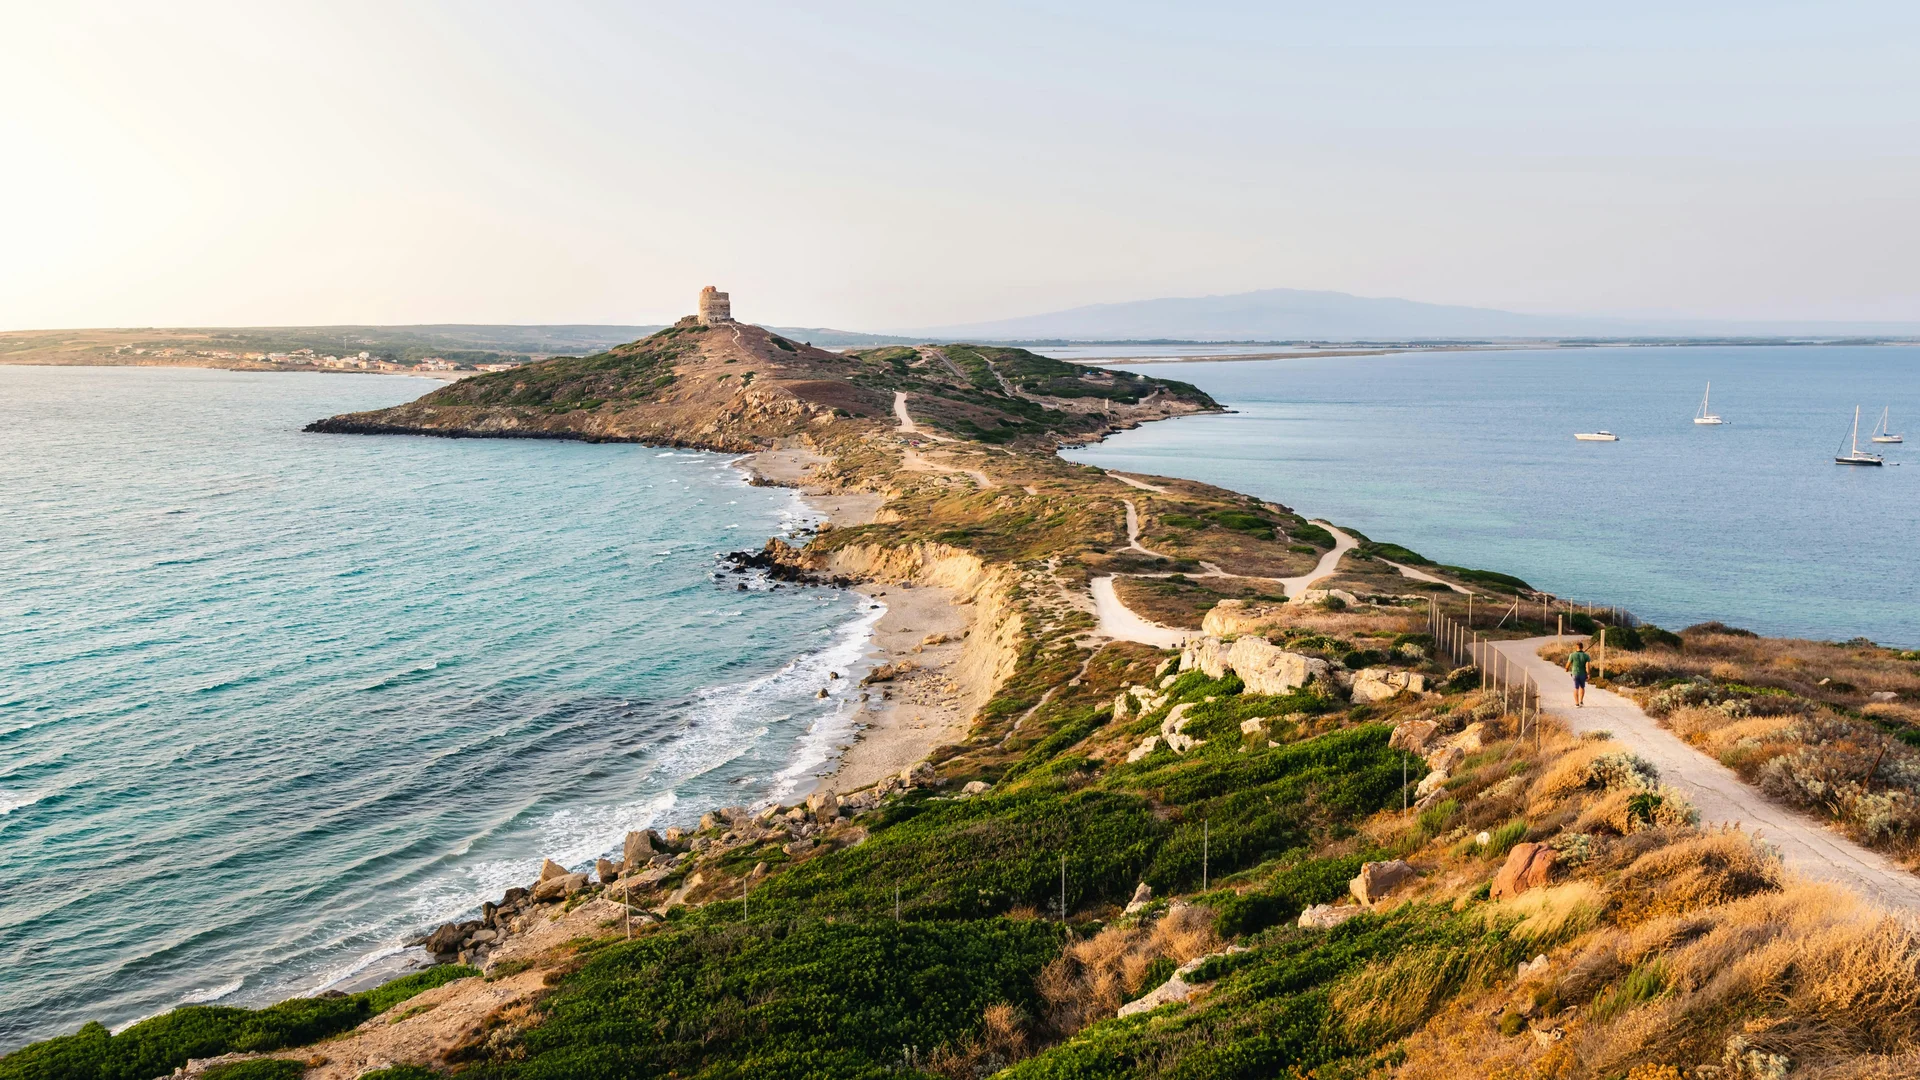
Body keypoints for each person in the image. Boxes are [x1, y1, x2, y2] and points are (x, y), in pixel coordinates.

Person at [1566, 642, 1592, 707]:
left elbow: (1568, 664)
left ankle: (1576, 703)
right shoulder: (1586, 656)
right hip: (1583, 674)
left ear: (1576, 647)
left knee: (1576, 688)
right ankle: (1581, 701)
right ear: (1582, 647)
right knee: (1582, 687)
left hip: (1575, 673)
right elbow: (1588, 666)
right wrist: (1588, 674)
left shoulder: (1572, 655)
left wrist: (1566, 669)